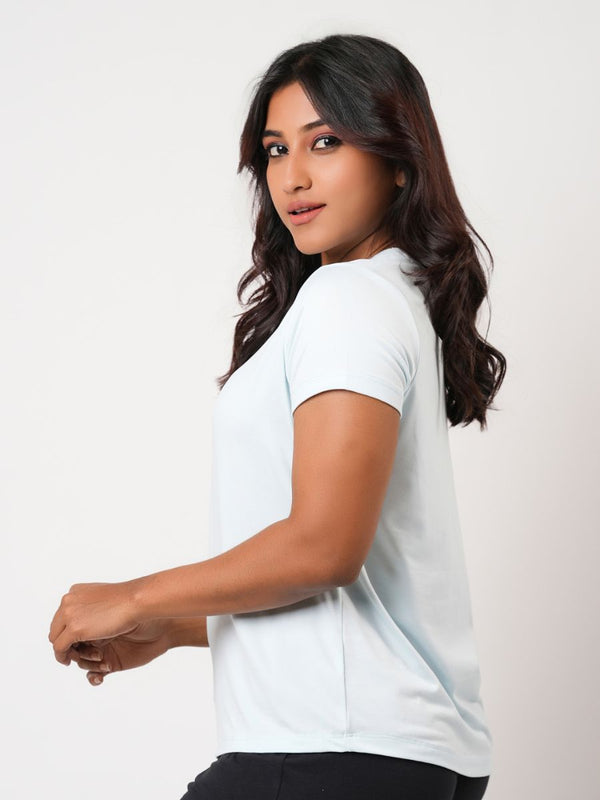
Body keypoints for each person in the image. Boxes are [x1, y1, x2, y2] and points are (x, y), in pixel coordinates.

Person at [49, 33, 506, 800]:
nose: (292, 176)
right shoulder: (392, 300)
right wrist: (182, 627)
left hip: (328, 758)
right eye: (273, 150)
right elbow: (361, 603)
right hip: (401, 757)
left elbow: (325, 547)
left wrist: (137, 597)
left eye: (325, 142)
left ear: (398, 160)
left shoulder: (350, 299)